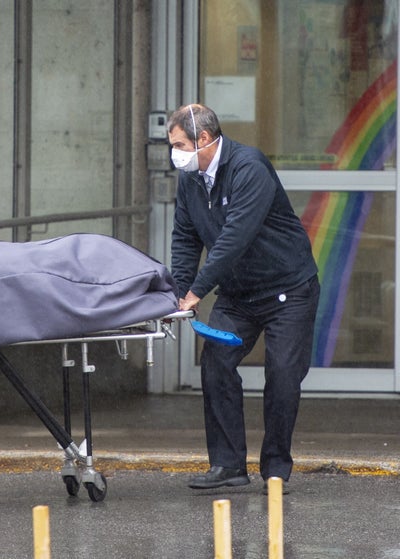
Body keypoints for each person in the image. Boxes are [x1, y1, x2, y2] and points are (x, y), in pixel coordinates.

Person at [168, 104, 319, 490]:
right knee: (216, 364)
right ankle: (228, 465)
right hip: (238, 293)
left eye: (179, 144)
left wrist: (199, 289)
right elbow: (186, 239)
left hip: (289, 288)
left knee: (283, 376)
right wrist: (181, 292)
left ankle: (275, 469)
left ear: (203, 139)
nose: (175, 153)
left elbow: (236, 236)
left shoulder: (248, 167)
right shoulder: (190, 180)